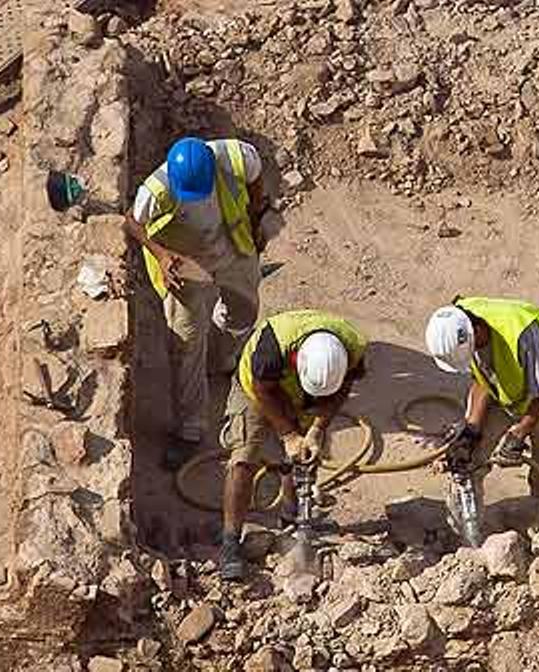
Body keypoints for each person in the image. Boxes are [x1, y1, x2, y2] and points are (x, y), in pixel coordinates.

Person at [122, 136, 275, 470]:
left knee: (243, 312)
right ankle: (190, 429)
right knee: (186, 344)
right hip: (186, 266)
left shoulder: (236, 157)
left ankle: (222, 359)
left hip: (234, 250)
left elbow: (256, 181)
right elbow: (132, 222)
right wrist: (161, 256)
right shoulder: (157, 188)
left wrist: (259, 214)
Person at [218, 310, 368, 580]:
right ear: (297, 360)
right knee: (244, 457)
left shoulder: (352, 347)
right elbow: (262, 389)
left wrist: (316, 429)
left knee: (306, 453)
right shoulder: (271, 349)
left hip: (304, 393)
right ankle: (229, 543)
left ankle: (294, 520)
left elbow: (344, 387)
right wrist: (288, 435)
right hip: (255, 388)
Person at [424, 296, 539, 500]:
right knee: (468, 460)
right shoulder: (460, 324)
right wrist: (472, 430)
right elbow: (482, 380)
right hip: (507, 393)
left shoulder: (522, 334)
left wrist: (519, 432)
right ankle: (468, 521)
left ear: (477, 332)